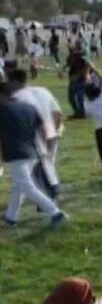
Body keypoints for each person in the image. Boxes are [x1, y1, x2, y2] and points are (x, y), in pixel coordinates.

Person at [0, 81, 67, 227]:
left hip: (16, 153)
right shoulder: (28, 107)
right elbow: (42, 128)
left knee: (26, 185)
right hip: (33, 151)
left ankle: (55, 212)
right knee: (20, 185)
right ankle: (11, 216)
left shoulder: (2, 110)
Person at [10, 68, 63, 198]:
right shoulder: (42, 90)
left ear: (15, 82)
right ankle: (49, 193)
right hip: (51, 128)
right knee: (48, 163)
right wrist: (56, 130)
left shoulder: (17, 97)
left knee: (37, 167)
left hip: (35, 133)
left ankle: (49, 194)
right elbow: (57, 113)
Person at [66, 47, 90, 118]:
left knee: (80, 98)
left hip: (80, 81)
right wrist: (62, 70)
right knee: (71, 98)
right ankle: (77, 112)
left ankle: (82, 114)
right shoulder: (71, 57)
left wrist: (78, 76)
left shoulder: (82, 59)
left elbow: (86, 68)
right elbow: (68, 64)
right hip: (72, 82)